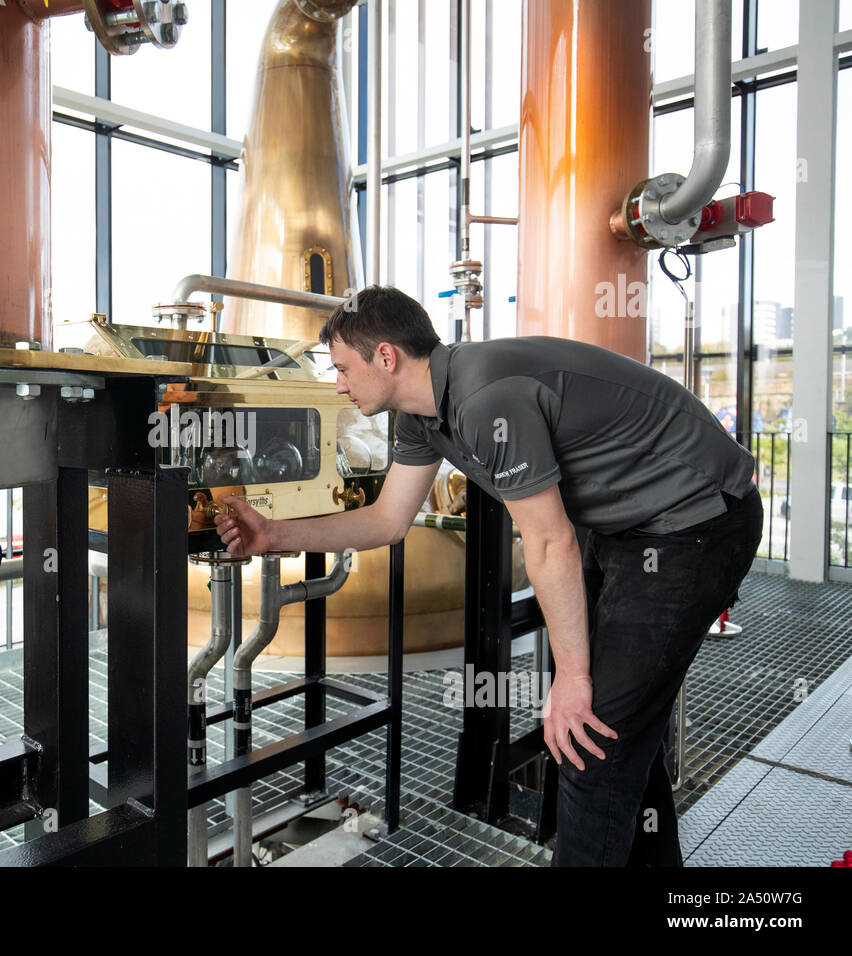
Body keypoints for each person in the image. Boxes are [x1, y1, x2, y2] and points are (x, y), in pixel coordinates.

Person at [215, 285, 763, 866]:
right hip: (627, 528)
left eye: (343, 368)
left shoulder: (484, 399)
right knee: (617, 731)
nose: (339, 385)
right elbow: (387, 521)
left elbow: (549, 542)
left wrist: (572, 678)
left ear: (386, 357)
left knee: (588, 742)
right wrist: (271, 535)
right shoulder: (421, 416)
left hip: (697, 522)